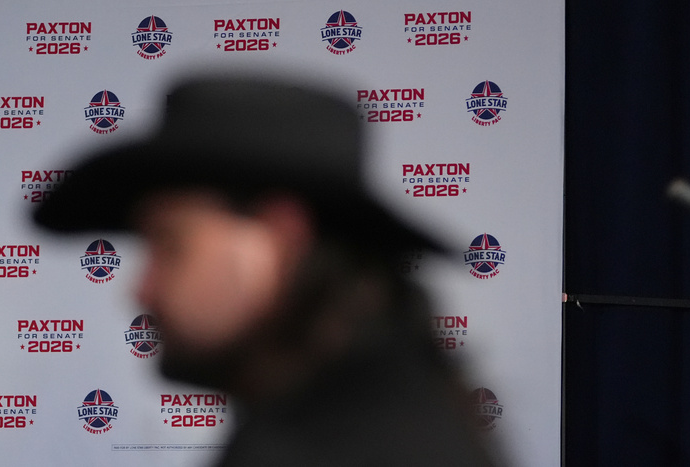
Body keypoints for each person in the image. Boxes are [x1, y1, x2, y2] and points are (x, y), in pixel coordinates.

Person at [35, 74, 499, 466]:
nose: (141, 291)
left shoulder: (323, 449)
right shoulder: (399, 409)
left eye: (171, 246)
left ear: (280, 236)